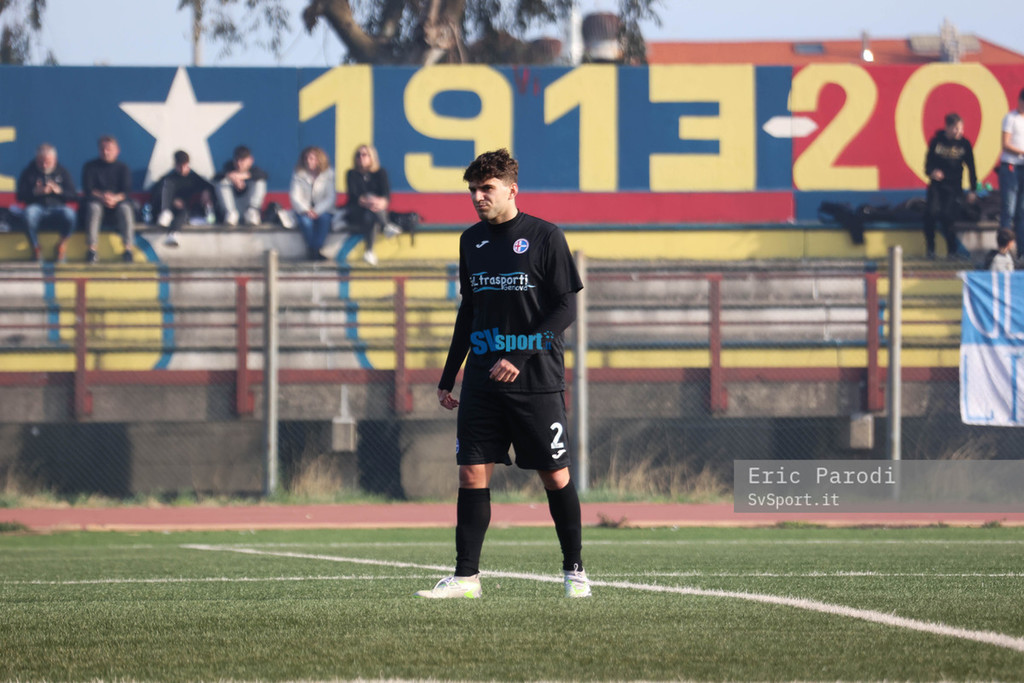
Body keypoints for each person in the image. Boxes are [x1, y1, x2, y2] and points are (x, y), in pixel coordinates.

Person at [416, 149, 590, 600]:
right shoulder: (470, 241)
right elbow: (469, 311)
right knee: (471, 475)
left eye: (487, 189)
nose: (479, 197)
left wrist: (521, 354)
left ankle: (575, 572)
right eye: (473, 190)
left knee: (555, 476)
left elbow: (566, 308)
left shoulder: (545, 236)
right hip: (482, 381)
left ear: (512, 190)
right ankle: (466, 579)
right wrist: (449, 374)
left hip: (535, 380)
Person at [923, 112, 977, 260]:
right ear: (948, 127)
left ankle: (952, 251)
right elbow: (927, 166)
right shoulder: (936, 142)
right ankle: (930, 249)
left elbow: (972, 168)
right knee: (930, 213)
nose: (960, 132)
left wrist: (973, 190)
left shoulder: (964, 144)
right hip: (937, 186)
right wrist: (932, 172)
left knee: (948, 216)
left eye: (961, 128)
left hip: (954, 188)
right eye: (956, 128)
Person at [14, 143, 77, 263]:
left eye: (47, 162)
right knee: (28, 214)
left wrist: (59, 191)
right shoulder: (29, 172)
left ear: (54, 160)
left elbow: (73, 196)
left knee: (70, 214)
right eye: (41, 162)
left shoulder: (62, 172)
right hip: (36, 207)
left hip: (58, 207)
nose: (44, 165)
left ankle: (61, 245)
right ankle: (36, 247)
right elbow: (20, 196)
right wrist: (35, 192)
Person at [81, 135, 136, 264]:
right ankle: (92, 250)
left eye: (109, 149)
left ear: (117, 151)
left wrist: (115, 199)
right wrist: (103, 197)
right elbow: (88, 189)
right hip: (97, 202)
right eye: (103, 149)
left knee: (126, 209)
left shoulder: (123, 168)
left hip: (117, 204)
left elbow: (126, 191)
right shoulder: (90, 167)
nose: (106, 152)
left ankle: (128, 249)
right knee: (93, 208)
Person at [345, 144, 397, 266]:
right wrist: (369, 202)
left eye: (364, 155)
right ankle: (386, 226)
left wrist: (380, 202)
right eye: (358, 155)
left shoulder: (380, 173)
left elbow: (386, 195)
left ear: (371, 157)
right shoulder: (351, 174)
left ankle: (369, 252)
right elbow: (354, 195)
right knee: (371, 211)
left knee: (371, 215)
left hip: (375, 210)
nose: (361, 158)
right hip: (357, 211)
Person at [152, 150, 216, 247]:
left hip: (182, 210)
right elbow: (156, 192)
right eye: (179, 165)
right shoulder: (169, 178)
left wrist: (206, 191)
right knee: (167, 185)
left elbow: (210, 186)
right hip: (165, 207)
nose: (182, 169)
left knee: (183, 212)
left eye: (184, 165)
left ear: (188, 164)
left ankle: (173, 235)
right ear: (175, 165)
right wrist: (172, 201)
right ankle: (165, 213)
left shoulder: (194, 178)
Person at [288, 146, 336, 261]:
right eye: (306, 158)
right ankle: (313, 250)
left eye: (312, 158)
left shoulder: (328, 174)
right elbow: (295, 196)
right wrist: (306, 210)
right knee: (306, 222)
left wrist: (317, 211)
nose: (308, 161)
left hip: (323, 210)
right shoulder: (298, 174)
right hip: (304, 210)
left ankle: (315, 249)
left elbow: (330, 197)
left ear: (319, 160)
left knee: (324, 220)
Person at [215, 145, 268, 227]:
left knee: (260, 182)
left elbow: (264, 175)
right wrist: (231, 177)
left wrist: (242, 176)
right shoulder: (228, 169)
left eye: (242, 160)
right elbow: (216, 177)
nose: (239, 164)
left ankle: (252, 212)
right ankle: (230, 214)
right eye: (237, 160)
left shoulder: (255, 171)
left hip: (248, 209)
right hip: (234, 209)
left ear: (250, 160)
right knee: (222, 182)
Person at [998, 88, 1024, 257]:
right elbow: (1005, 144)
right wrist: (1021, 152)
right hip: (1011, 167)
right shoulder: (1011, 118)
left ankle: (1021, 252)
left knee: (1022, 212)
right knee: (1009, 210)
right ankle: (1003, 250)